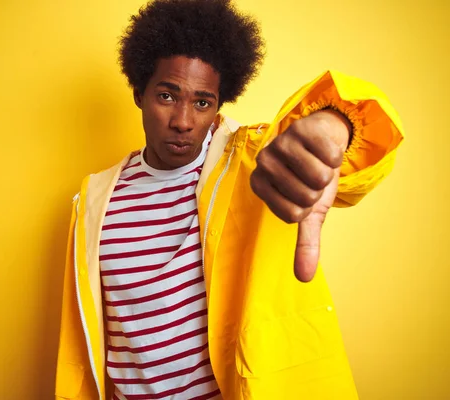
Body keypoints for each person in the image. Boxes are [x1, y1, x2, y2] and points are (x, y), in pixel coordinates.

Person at [54, 0, 404, 398]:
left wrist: (336, 123)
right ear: (138, 92)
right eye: (167, 96)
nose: (184, 121)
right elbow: (84, 347)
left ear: (219, 104)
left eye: (202, 102)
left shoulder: (256, 164)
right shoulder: (93, 202)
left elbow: (364, 152)